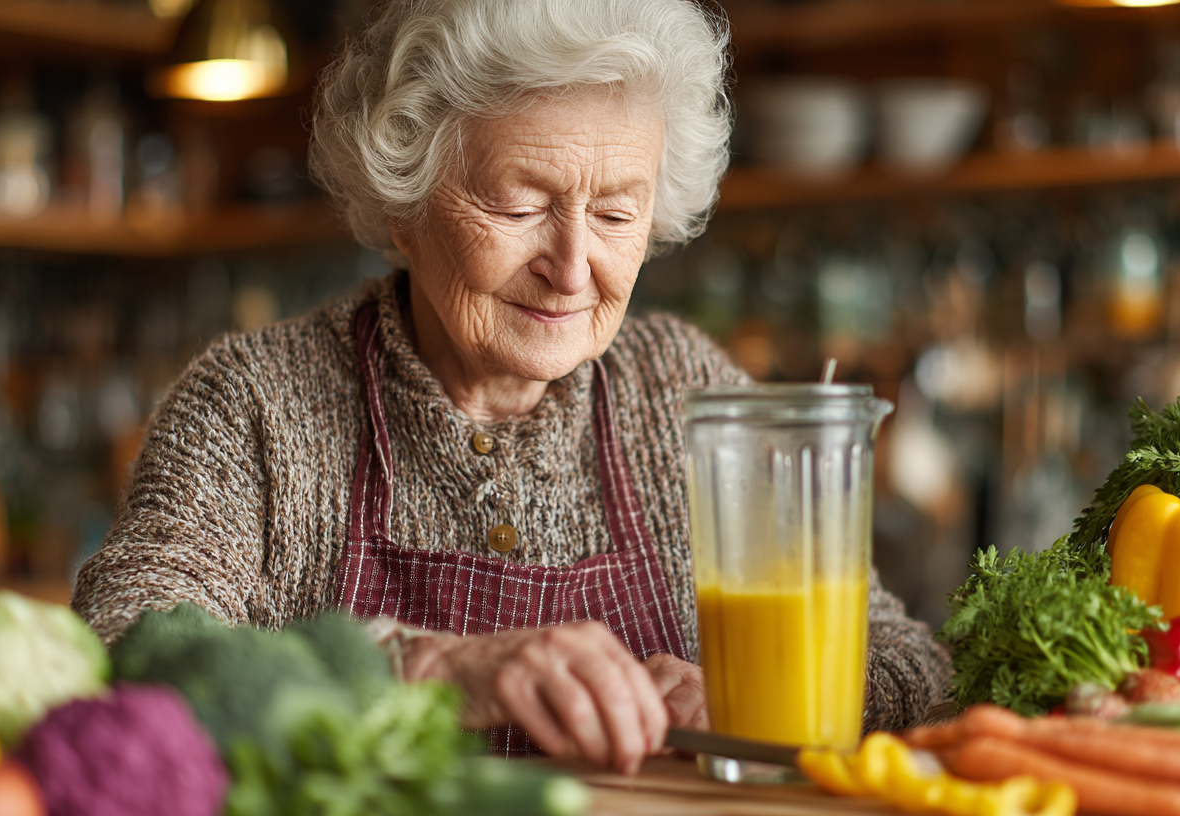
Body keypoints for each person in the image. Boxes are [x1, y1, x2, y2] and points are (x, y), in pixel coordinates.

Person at [73, 0, 949, 774]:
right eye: (519, 205)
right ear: (401, 204)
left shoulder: (683, 388)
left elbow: (908, 662)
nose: (573, 269)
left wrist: (762, 704)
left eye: (615, 213)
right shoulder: (253, 404)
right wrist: (426, 670)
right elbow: (126, 656)